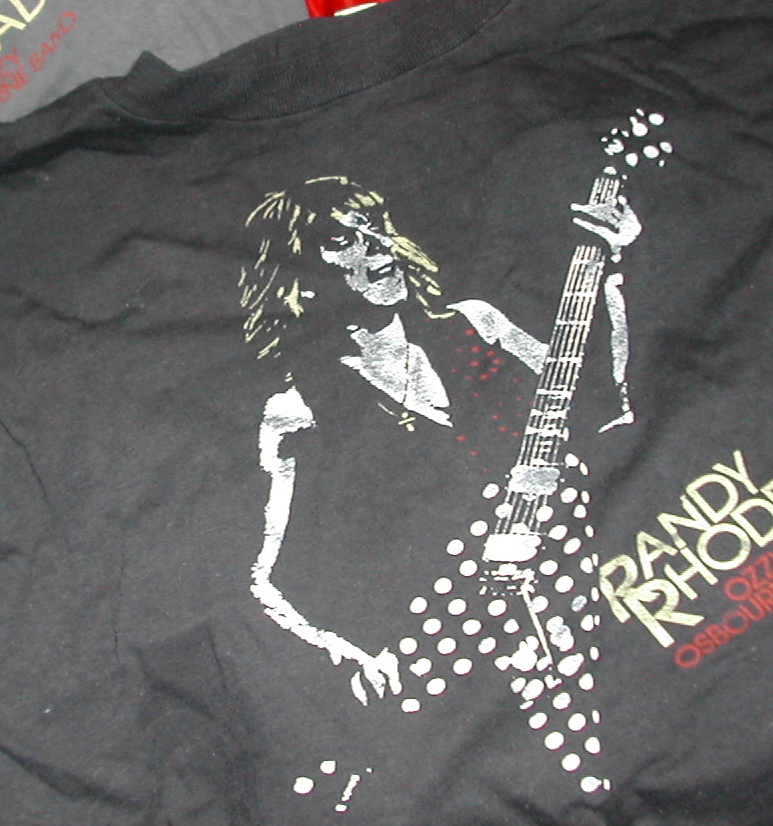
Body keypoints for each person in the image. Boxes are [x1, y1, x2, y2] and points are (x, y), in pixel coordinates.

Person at [239, 174, 638, 791]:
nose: (378, 245)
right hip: (463, 673)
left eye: (376, 227)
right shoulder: (296, 411)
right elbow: (264, 578)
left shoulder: (476, 324)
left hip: (597, 603)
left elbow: (604, 402)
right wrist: (345, 658)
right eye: (344, 239)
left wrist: (610, 270)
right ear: (299, 279)